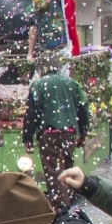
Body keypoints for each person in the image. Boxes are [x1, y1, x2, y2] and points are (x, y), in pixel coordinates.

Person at [23, 61, 90, 208]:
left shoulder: (38, 85)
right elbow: (83, 109)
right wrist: (83, 132)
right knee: (67, 168)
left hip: (49, 134)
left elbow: (31, 114)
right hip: (70, 133)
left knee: (54, 173)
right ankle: (68, 201)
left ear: (42, 71)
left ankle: (62, 209)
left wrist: (28, 137)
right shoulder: (72, 83)